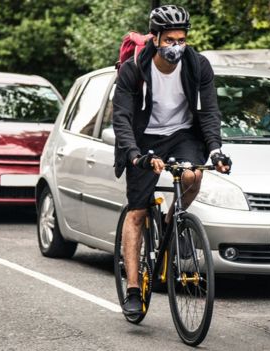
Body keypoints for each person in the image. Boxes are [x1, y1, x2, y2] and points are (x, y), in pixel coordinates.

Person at [112, 5, 231, 316]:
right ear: (155, 38)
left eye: (182, 39)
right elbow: (122, 117)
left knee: (193, 176)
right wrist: (134, 154)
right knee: (136, 212)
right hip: (143, 137)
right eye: (170, 40)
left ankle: (171, 222)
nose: (176, 46)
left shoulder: (198, 66)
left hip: (182, 134)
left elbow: (208, 112)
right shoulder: (134, 70)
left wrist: (216, 148)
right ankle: (134, 289)